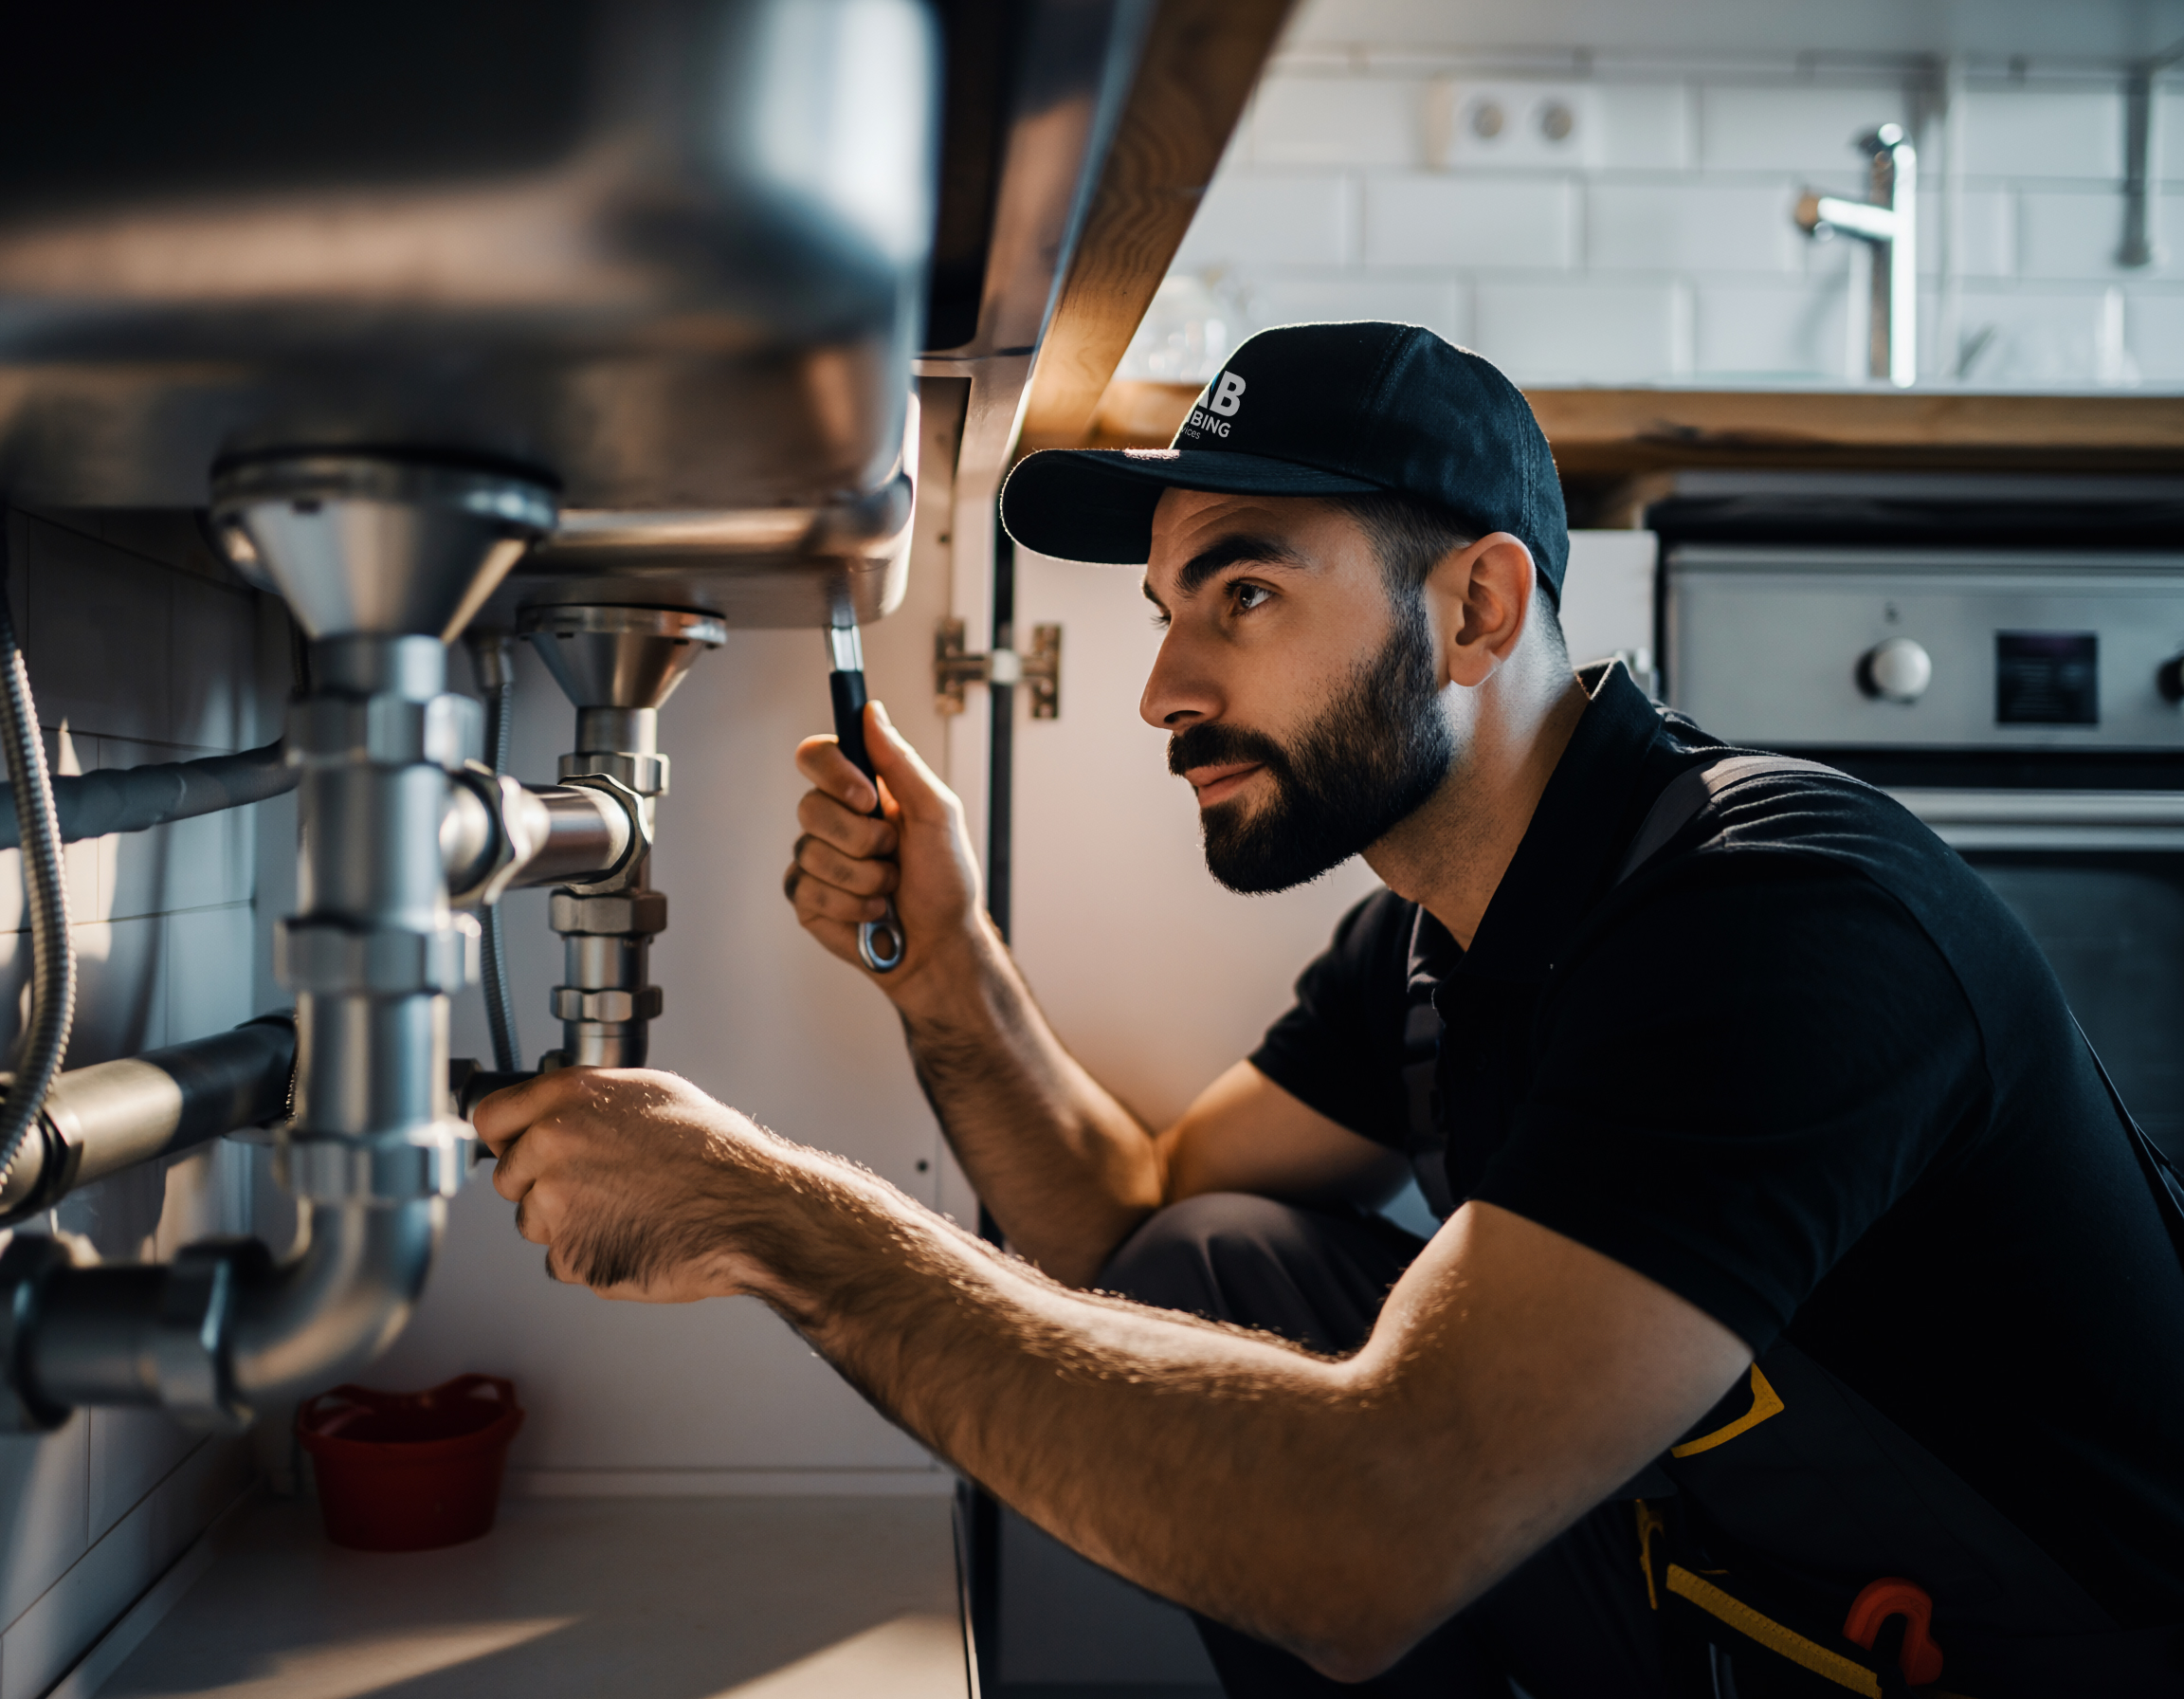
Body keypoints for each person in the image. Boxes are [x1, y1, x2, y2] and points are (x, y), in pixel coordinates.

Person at [478, 323, 2184, 1698]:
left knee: (1361, 1491)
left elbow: (1365, 1547)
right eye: (1164, 613)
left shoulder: (1774, 925)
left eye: (1246, 592)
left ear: (1476, 608)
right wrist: (943, 960)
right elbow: (1128, 1221)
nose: (1161, 690)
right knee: (1225, 1258)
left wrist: (766, 1214)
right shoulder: (1441, 933)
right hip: (1748, 1605)